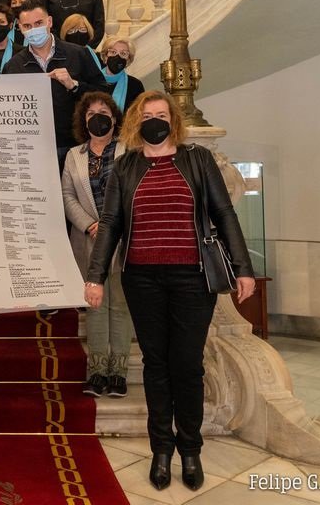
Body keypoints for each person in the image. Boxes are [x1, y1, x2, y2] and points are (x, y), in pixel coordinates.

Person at [84, 91, 256, 493]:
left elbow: (224, 213)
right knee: (156, 365)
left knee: (188, 365)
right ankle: (161, 449)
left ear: (173, 120)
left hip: (193, 279)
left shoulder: (198, 160)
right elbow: (110, 223)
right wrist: (95, 277)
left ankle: (190, 449)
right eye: (147, 115)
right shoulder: (125, 166)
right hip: (142, 280)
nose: (155, 121)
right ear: (136, 122)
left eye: (161, 115)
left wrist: (243, 268)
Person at [61, 92, 130, 399]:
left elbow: (136, 191)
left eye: (103, 112)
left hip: (123, 240)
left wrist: (114, 226)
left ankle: (119, 373)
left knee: (120, 306)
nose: (97, 117)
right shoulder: (73, 155)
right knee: (95, 306)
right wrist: (90, 224)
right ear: (83, 120)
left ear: (114, 118)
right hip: (88, 240)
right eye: (90, 114)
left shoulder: (130, 151)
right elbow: (67, 195)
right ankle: (98, 372)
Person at [1, 0, 109, 165]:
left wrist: (74, 86)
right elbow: (1, 105)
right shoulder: (13, 66)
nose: (33, 30)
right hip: (32, 148)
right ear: (20, 28)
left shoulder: (78, 54)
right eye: (27, 26)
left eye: (38, 23)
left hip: (74, 146)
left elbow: (104, 94)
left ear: (49, 22)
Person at [101, 37, 144, 112]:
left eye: (123, 53)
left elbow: (139, 114)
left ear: (128, 60)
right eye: (113, 52)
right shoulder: (91, 81)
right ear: (105, 57)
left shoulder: (135, 85)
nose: (117, 57)